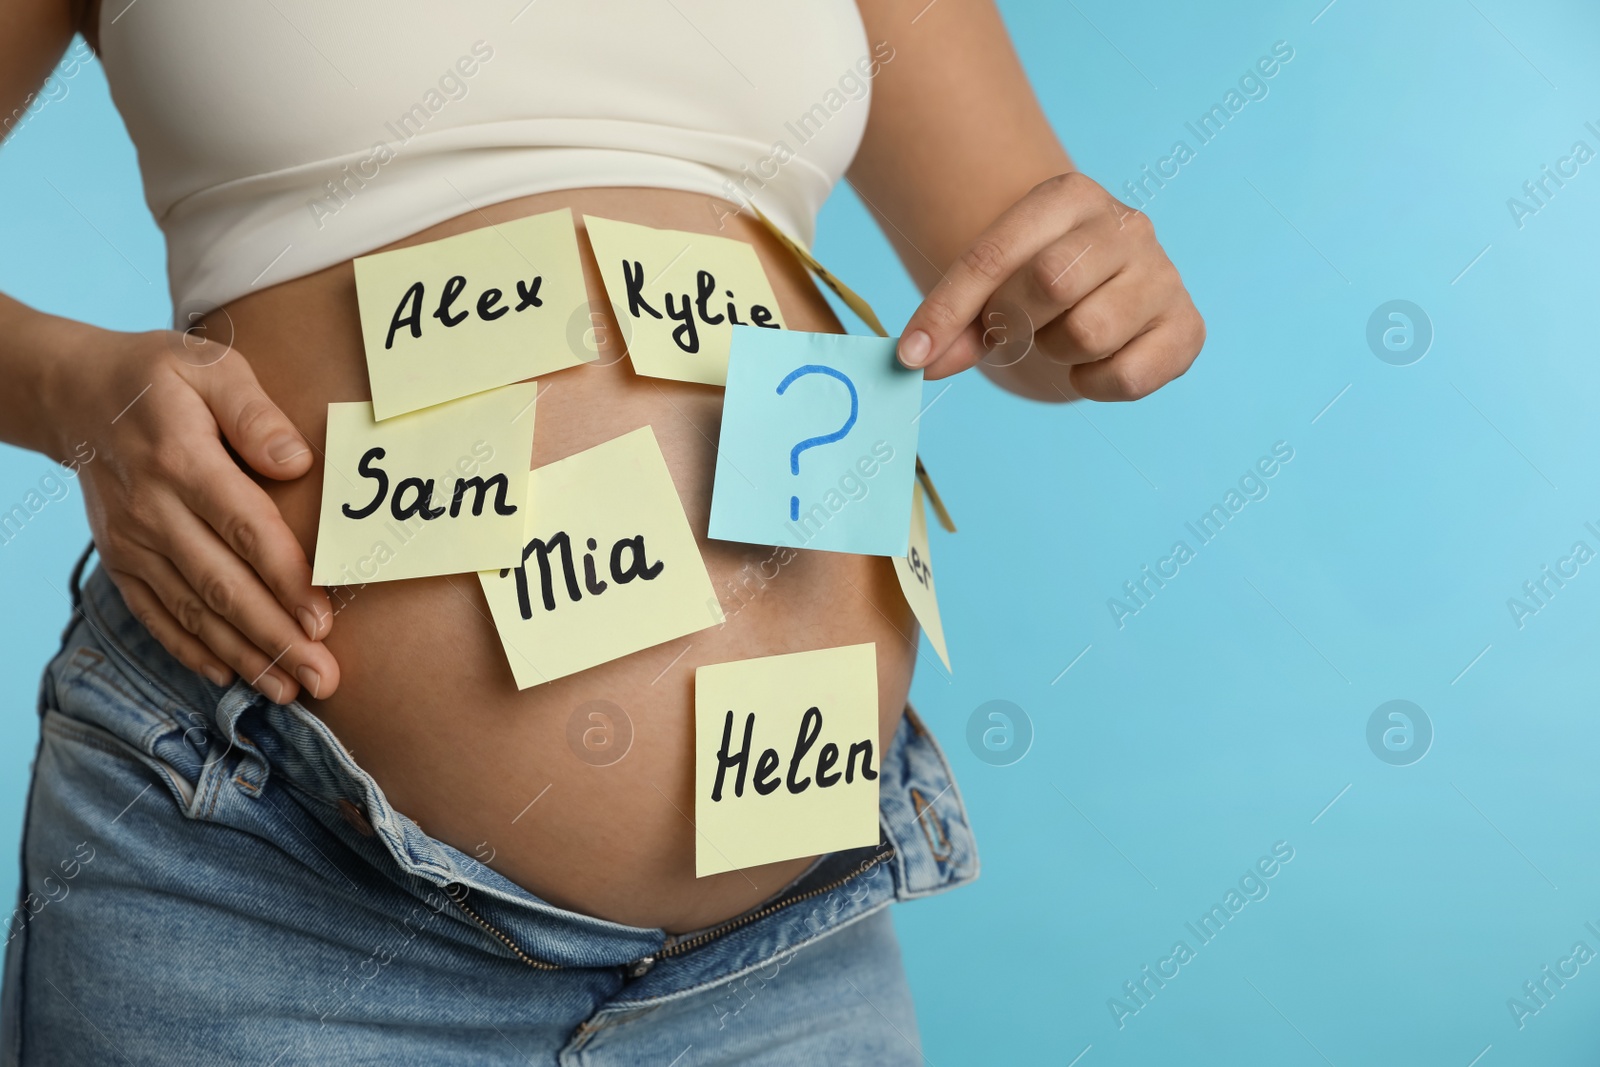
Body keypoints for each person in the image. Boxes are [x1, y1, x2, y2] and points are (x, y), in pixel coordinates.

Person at [0, 0, 1203, 1062]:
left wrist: (1100, 291)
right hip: (270, 881)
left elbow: (1018, 283)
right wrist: (67, 389)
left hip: (791, 939)